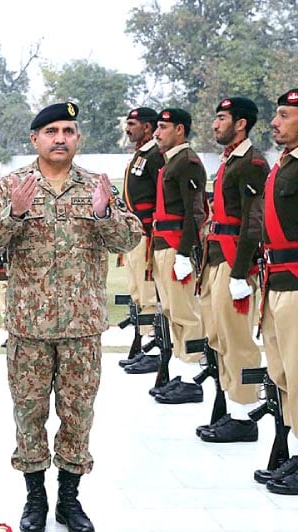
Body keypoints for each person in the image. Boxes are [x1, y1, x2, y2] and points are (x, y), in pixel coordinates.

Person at [0, 101, 142, 532]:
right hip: (29, 326)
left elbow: (129, 238)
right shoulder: (13, 185)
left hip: (82, 326)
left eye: (68, 130)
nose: (60, 138)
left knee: (77, 413)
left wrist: (105, 213)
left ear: (78, 138)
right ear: (35, 140)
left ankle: (69, 497)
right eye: (51, 131)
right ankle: (35, 497)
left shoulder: (96, 186)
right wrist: (14, 214)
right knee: (29, 413)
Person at [196, 97, 268, 443]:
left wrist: (241, 273)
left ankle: (244, 416)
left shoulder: (252, 163)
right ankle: (229, 406)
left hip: (232, 261)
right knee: (218, 337)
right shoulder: (230, 161)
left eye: (221, 118)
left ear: (241, 123)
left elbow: (253, 223)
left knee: (238, 341)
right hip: (216, 260)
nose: (215, 124)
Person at [149, 108, 207, 404]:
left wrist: (184, 254)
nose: (157, 133)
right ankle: (181, 373)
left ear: (180, 130)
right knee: (173, 312)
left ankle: (192, 379)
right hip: (163, 245)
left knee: (187, 312)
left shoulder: (187, 162)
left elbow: (194, 213)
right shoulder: (171, 162)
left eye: (162, 127)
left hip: (175, 246)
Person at [256, 88, 298, 495]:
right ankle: (291, 451)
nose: (275, 122)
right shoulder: (283, 165)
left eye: (284, 115)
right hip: (276, 283)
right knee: (283, 373)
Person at [119, 107, 164, 375]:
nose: (128, 128)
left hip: (148, 234)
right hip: (135, 234)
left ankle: (154, 348)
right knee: (137, 292)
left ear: (147, 127)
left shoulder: (155, 155)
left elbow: (162, 195)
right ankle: (143, 343)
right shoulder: (140, 155)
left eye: (133, 124)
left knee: (149, 294)